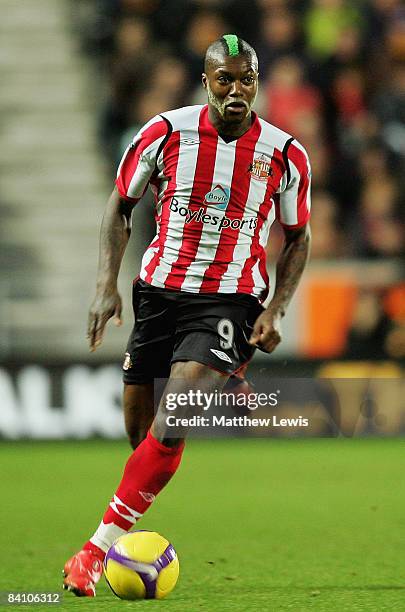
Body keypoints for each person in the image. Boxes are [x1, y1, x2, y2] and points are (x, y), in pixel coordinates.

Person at [62, 34, 311, 597]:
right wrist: (107, 284)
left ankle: (94, 552)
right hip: (159, 293)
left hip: (230, 300)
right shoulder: (165, 132)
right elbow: (119, 206)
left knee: (173, 421)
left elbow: (298, 237)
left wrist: (277, 307)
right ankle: (210, 387)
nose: (237, 91)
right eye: (225, 79)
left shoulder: (286, 154)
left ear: (257, 81)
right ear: (207, 82)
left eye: (247, 79)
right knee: (143, 433)